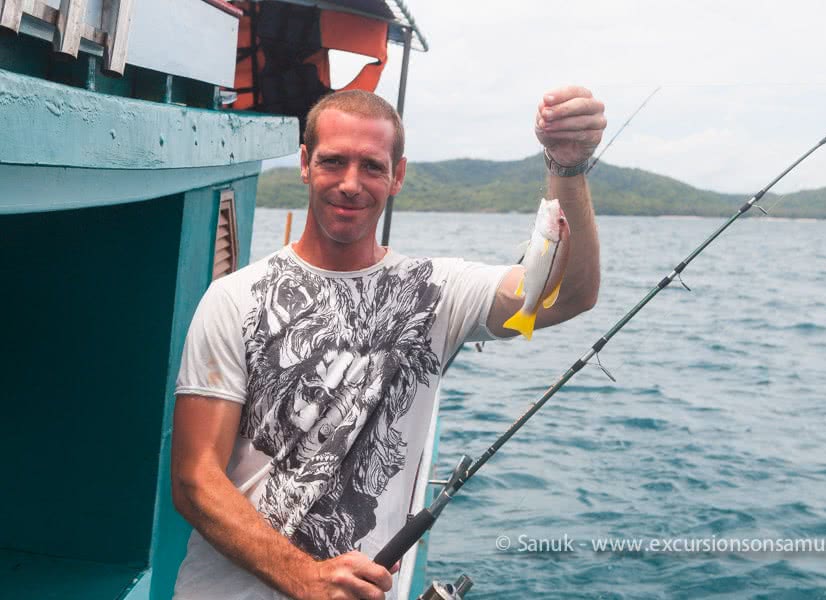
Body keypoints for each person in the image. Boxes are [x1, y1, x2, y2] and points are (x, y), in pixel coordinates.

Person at [171, 86, 606, 600]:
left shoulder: (437, 292)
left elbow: (569, 293)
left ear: (397, 175)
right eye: (333, 162)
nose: (351, 184)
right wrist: (304, 578)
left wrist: (568, 168)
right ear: (305, 164)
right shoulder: (233, 298)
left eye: (372, 167)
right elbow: (195, 479)